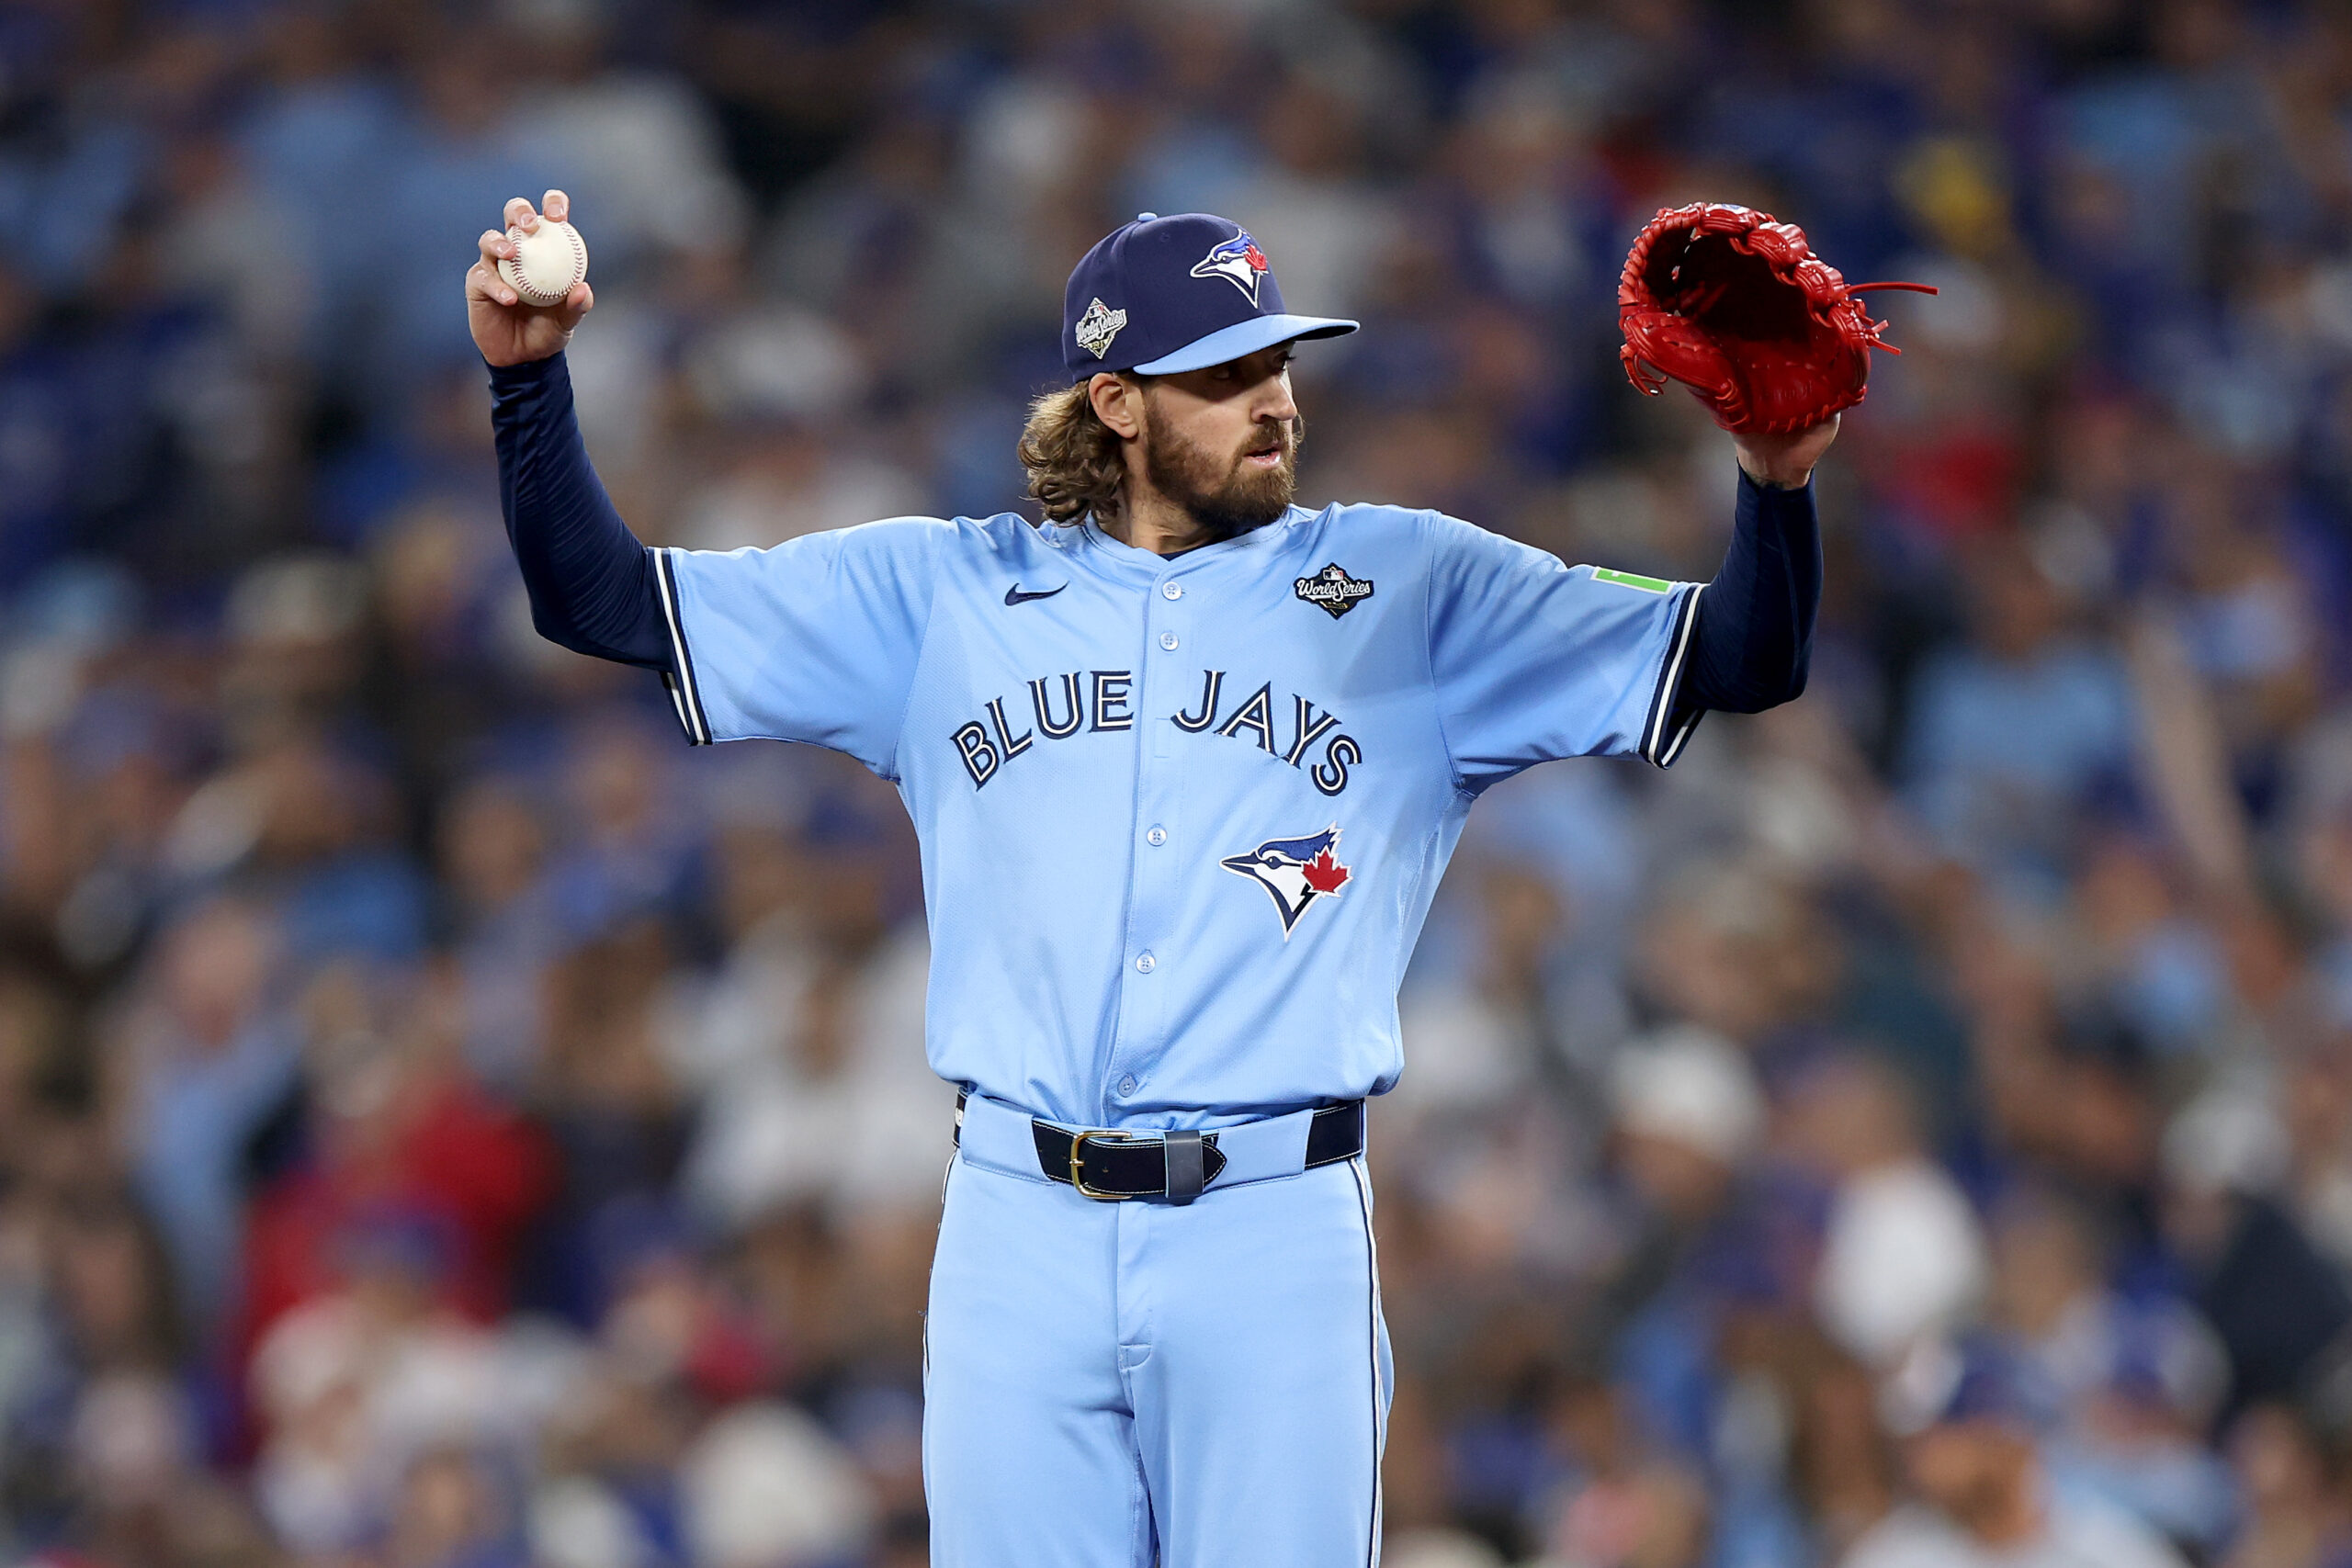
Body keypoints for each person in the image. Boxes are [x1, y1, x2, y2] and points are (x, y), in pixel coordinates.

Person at [465, 191, 1828, 1567]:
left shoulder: (1414, 587)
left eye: (1280, 365)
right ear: (1117, 403)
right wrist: (529, 387)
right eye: (1228, 377)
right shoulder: (945, 597)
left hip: (1272, 1223)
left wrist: (1775, 489)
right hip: (1017, 1219)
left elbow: (1739, 661)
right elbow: (607, 603)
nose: (1276, 403)